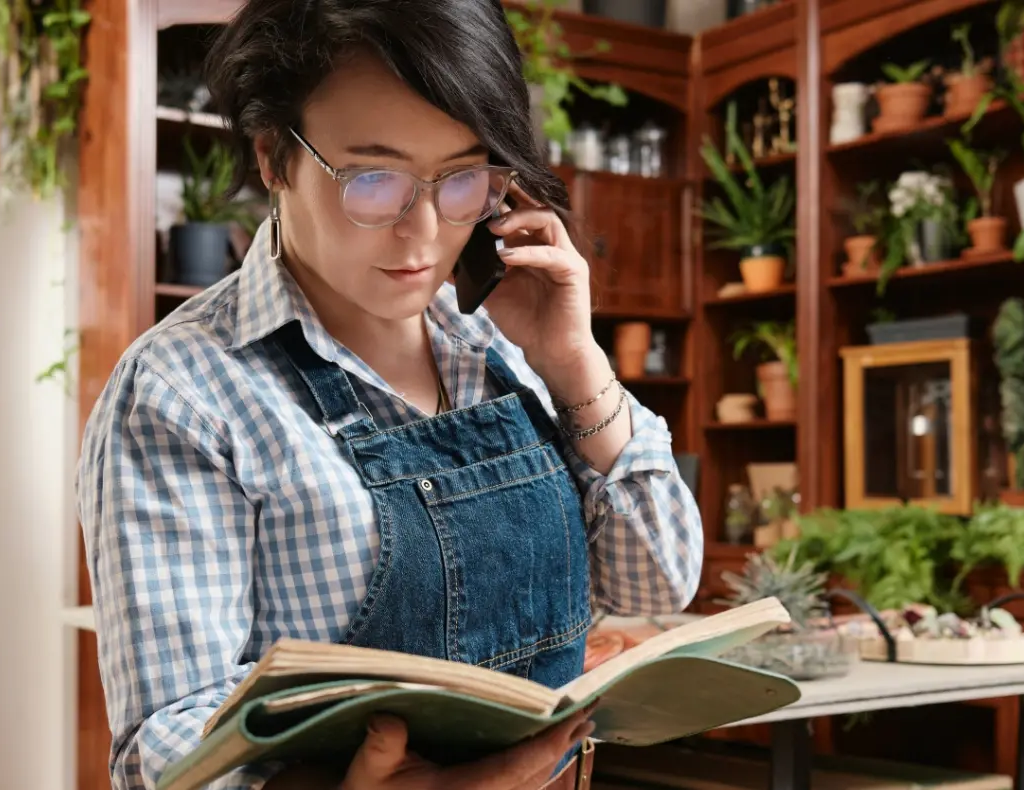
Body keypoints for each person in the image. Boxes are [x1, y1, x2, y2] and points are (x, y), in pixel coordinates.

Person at [75, 1, 704, 789]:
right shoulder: (184, 393)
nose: (425, 233)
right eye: (374, 180)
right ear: (274, 157)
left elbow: (656, 582)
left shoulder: (499, 344)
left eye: (463, 179)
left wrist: (573, 361)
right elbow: (163, 757)